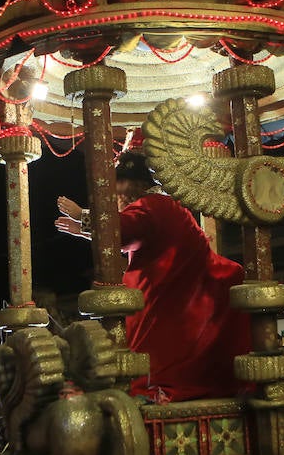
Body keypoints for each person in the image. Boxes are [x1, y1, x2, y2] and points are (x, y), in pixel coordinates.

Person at [55, 150, 248, 401]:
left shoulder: (150, 208)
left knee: (152, 353)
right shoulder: (167, 207)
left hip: (168, 303)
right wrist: (84, 229)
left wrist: (82, 215)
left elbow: (122, 230)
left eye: (118, 185)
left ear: (130, 185)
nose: (114, 194)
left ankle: (153, 389)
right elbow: (125, 234)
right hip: (180, 298)